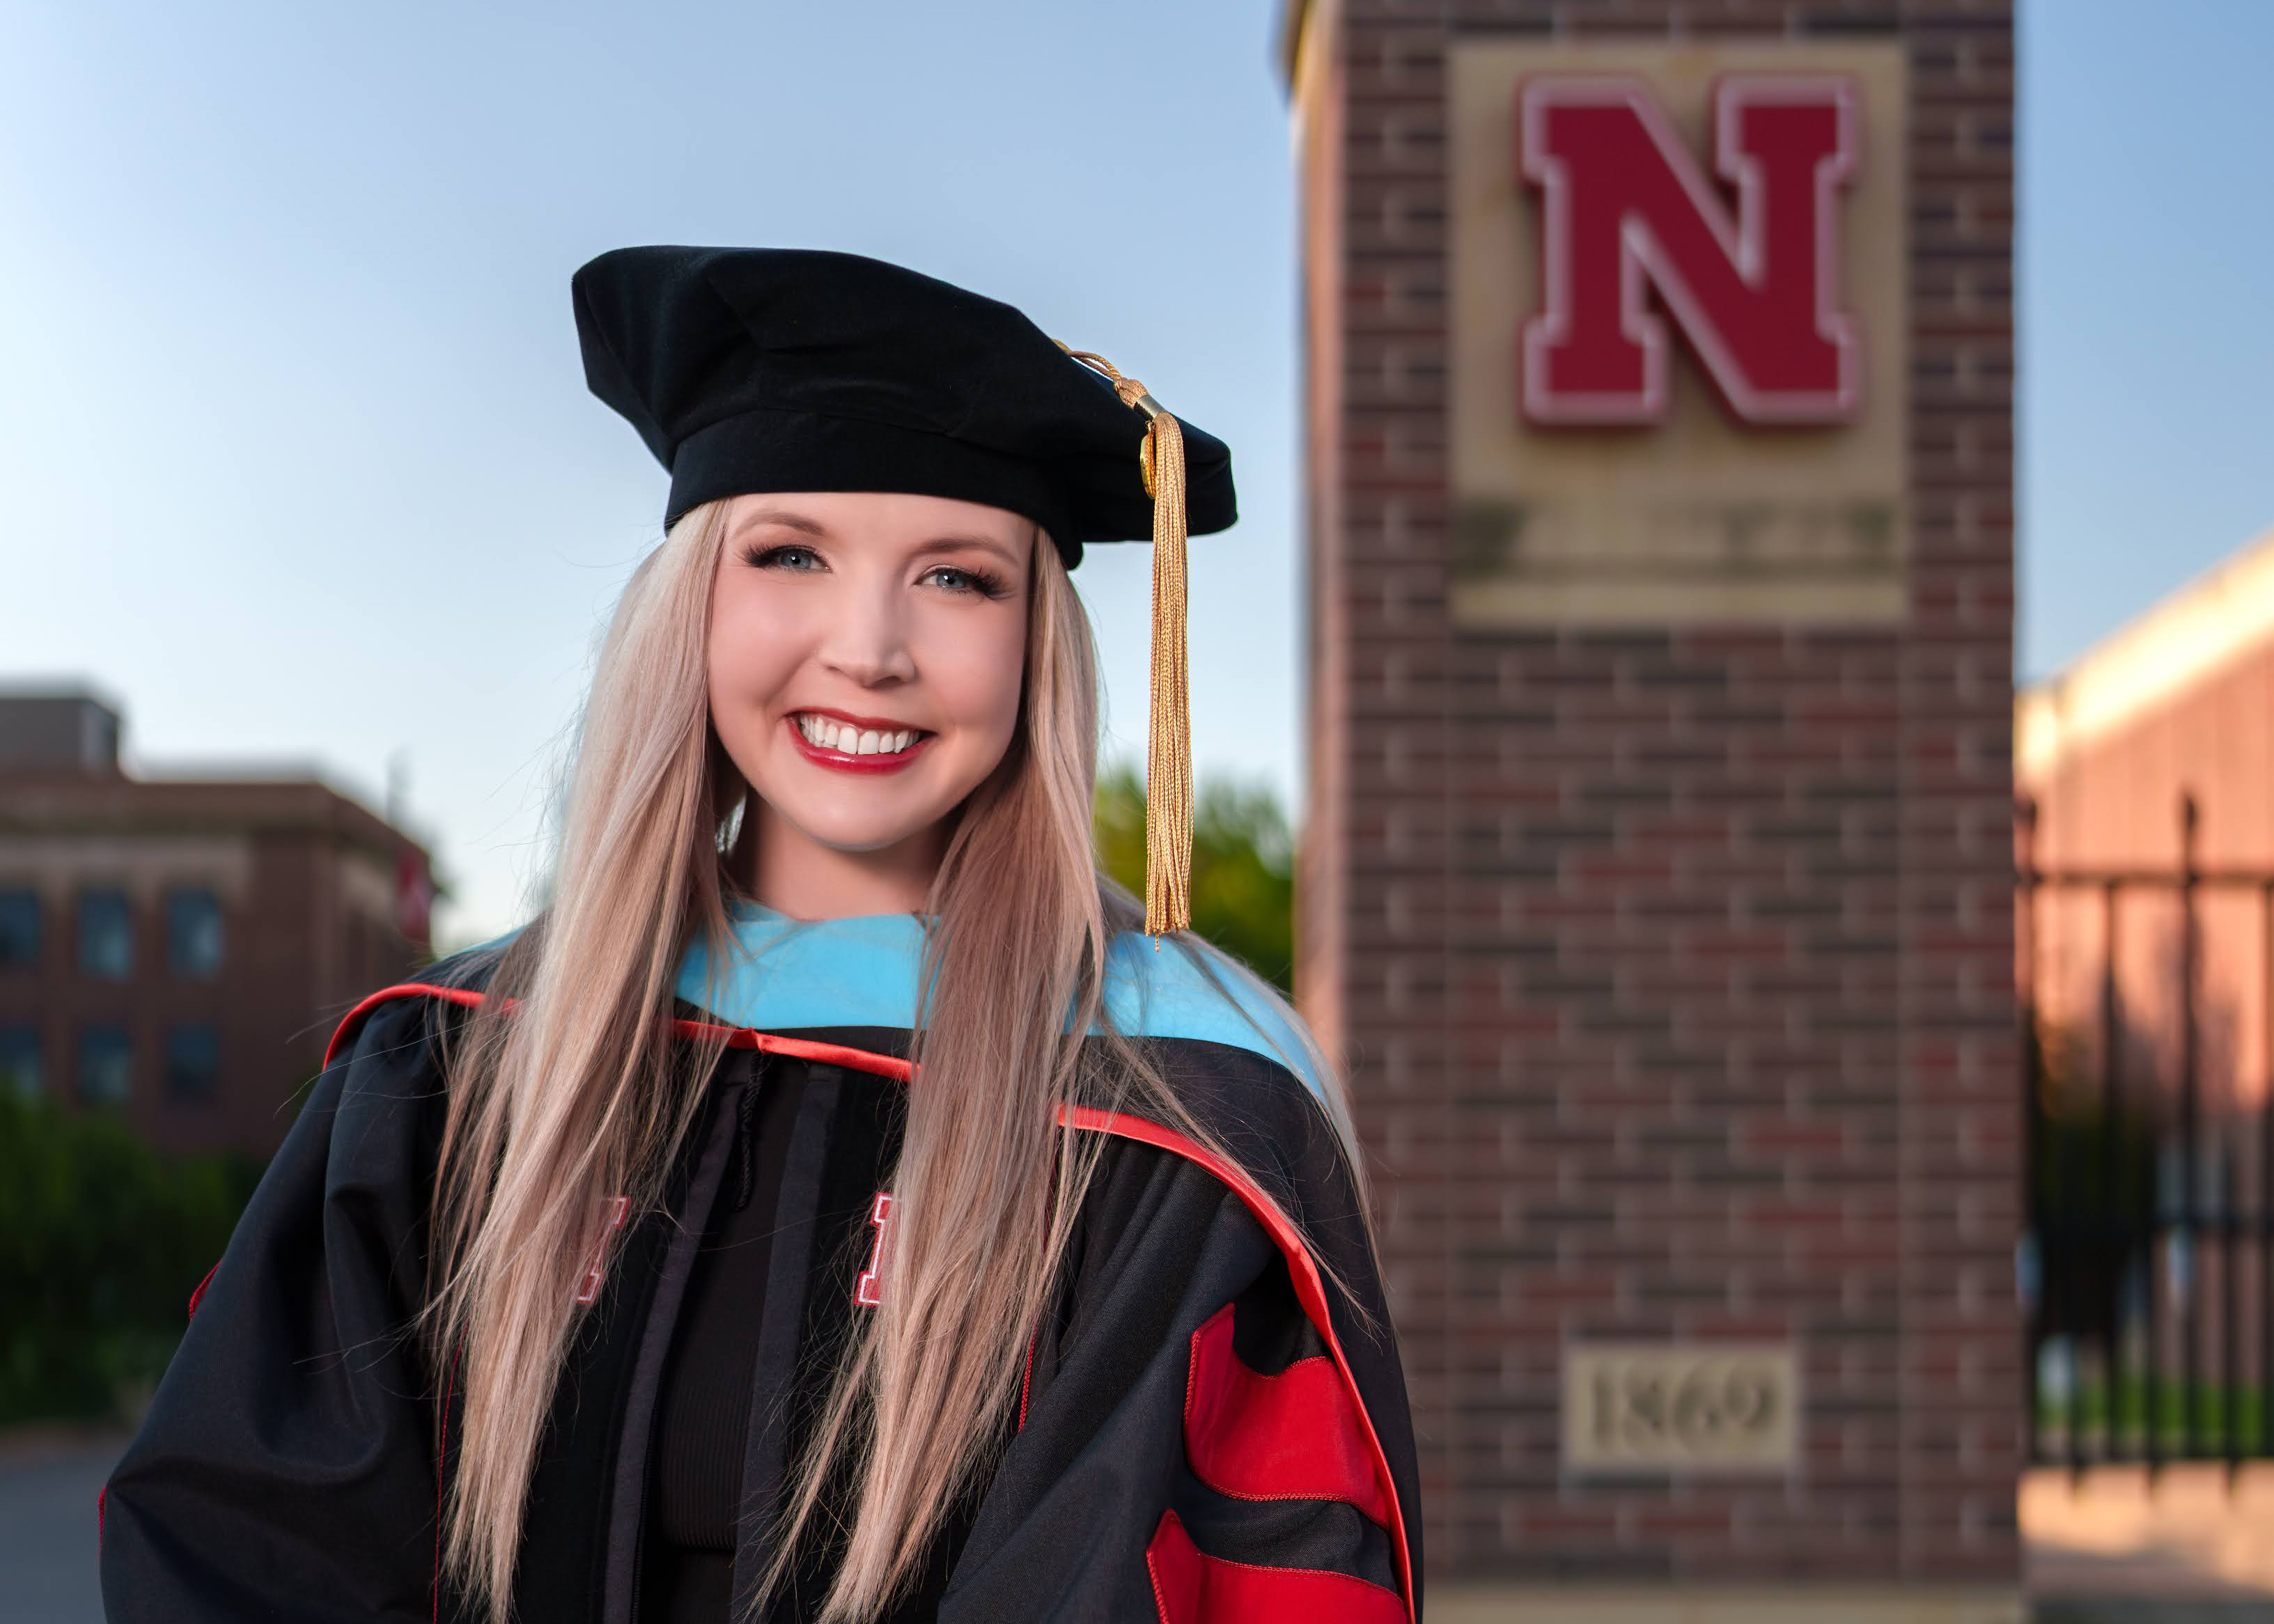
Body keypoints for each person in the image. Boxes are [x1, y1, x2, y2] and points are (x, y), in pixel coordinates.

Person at [96, 245, 1421, 1624]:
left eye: (957, 578)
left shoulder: (1174, 1100)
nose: (869, 647)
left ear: (1038, 643)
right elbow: (242, 1544)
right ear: (692, 609)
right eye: (791, 553)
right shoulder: (455, 1067)